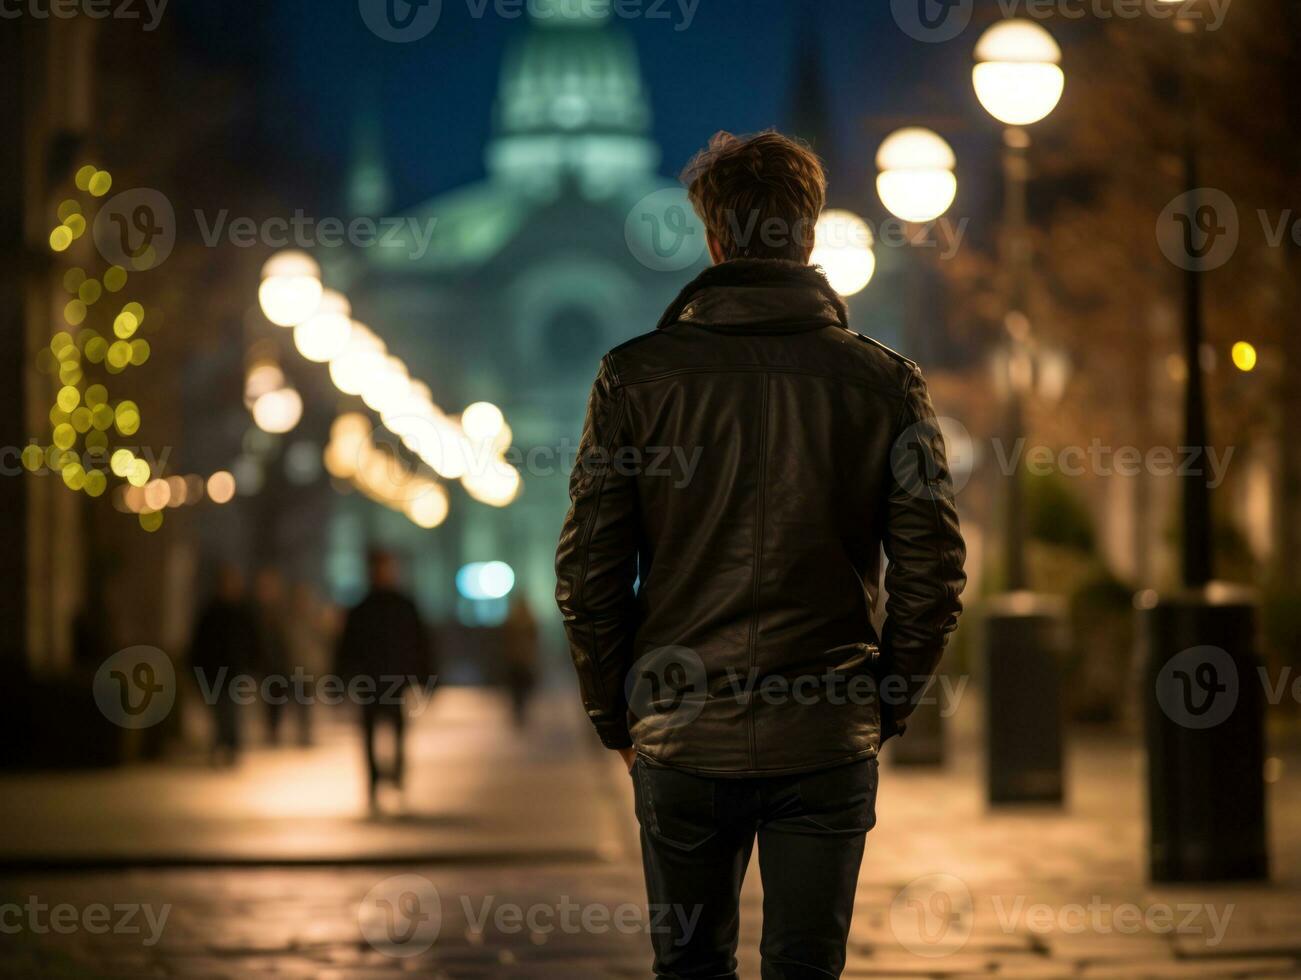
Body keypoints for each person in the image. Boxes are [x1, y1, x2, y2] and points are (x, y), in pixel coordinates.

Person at [555, 130, 967, 980]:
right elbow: (932, 568)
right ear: (808, 233)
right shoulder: (882, 383)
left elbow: (588, 572)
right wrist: (881, 703)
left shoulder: (633, 377)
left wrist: (614, 710)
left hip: (678, 724)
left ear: (711, 237)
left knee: (691, 966)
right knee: (806, 966)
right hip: (824, 728)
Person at [335, 549, 430, 813]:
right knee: (369, 735)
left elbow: (420, 643)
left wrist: (423, 676)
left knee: (398, 731)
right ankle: (374, 783)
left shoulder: (403, 605)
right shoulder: (362, 608)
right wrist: (341, 679)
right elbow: (348, 646)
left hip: (396, 680)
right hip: (370, 681)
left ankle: (397, 775)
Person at [189, 563, 261, 768]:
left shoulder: (243, 612)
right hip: (213, 672)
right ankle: (223, 744)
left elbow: (253, 641)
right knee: (220, 712)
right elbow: (199, 643)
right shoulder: (211, 612)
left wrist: (253, 664)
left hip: (236, 672)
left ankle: (230, 746)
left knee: (233, 711)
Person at [252, 567, 290, 746]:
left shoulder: (281, 611)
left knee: (277, 699)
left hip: (281, 664)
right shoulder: (255, 611)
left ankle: (275, 729)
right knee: (268, 700)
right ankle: (271, 729)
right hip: (265, 664)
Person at [501, 594, 539, 730]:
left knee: (517, 688)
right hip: (522, 659)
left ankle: (519, 710)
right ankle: (520, 710)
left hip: (517, 659)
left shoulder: (512, 620)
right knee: (520, 687)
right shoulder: (528, 620)